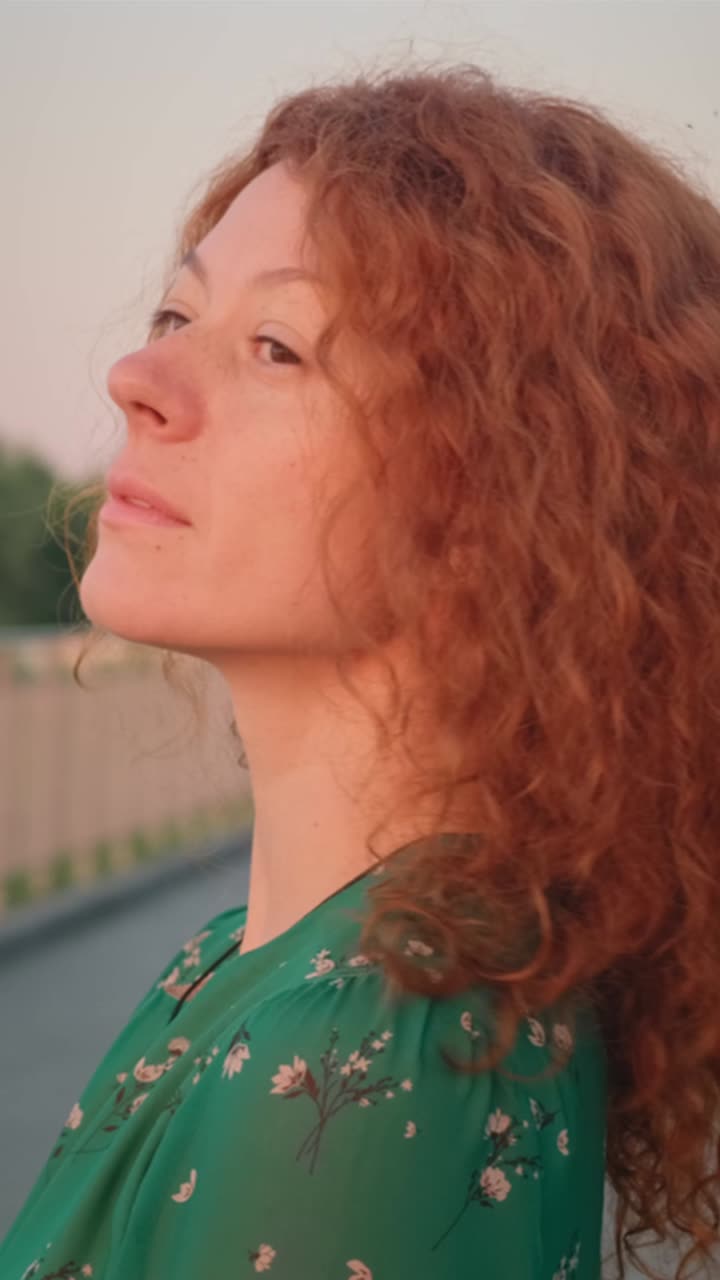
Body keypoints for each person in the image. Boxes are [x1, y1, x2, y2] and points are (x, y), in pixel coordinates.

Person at [3, 60, 720, 1280]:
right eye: (178, 316)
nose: (138, 379)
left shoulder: (368, 1056)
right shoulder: (302, 966)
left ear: (503, 498)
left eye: (277, 346)